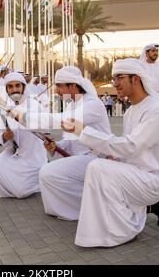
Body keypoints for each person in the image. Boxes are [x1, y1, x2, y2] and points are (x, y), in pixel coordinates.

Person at [62, 58, 159, 248]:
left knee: (98, 167)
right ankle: (148, 208)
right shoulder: (131, 111)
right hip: (136, 172)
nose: (114, 84)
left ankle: (123, 229)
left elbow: (131, 146)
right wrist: (114, 156)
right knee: (101, 166)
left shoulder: (156, 110)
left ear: (136, 79)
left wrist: (83, 132)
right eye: (113, 79)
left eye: (119, 78)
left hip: (153, 179)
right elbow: (130, 149)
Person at [36, 66, 111, 221]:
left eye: (59, 86)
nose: (56, 90)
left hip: (96, 159)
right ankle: (85, 207)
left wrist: (25, 117)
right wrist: (57, 146)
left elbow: (63, 120)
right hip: (81, 158)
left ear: (73, 86)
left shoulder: (92, 104)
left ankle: (101, 208)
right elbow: (72, 141)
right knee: (48, 173)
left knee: (48, 172)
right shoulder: (73, 105)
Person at [0, 73, 48, 198]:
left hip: (33, 155)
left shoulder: (35, 105)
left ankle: (37, 182)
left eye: (17, 86)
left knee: (21, 192)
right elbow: (1, 134)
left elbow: (44, 126)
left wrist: (18, 116)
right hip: (14, 151)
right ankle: (9, 189)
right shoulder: (3, 108)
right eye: (10, 86)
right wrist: (5, 136)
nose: (14, 89)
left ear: (23, 87)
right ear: (6, 89)